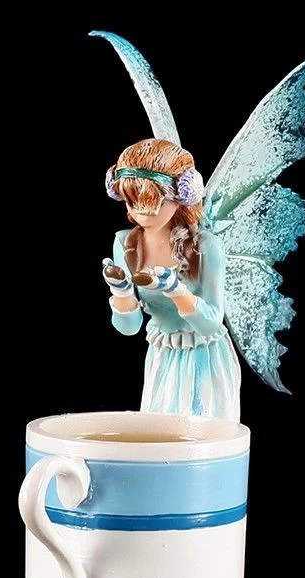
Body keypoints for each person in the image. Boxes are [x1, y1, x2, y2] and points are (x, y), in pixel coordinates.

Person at [102, 138, 241, 422]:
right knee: (159, 431)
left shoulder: (205, 247)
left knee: (202, 432)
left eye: (154, 202)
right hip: (162, 355)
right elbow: (128, 328)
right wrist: (122, 293)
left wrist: (176, 290)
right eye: (132, 201)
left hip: (204, 355)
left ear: (182, 194)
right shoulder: (126, 244)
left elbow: (211, 322)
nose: (142, 212)